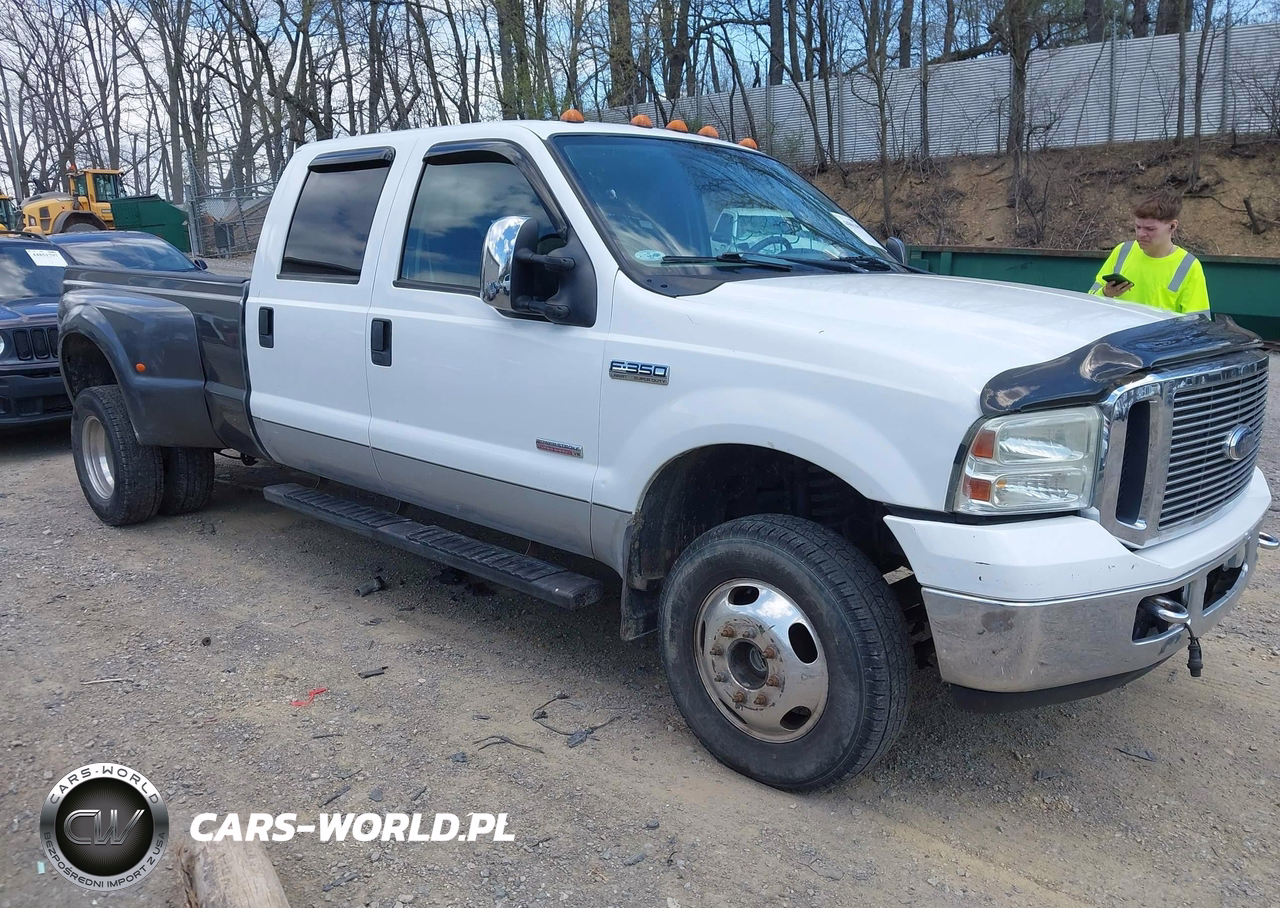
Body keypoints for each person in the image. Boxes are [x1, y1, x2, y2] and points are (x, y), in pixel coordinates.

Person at [1089, 192, 1209, 313]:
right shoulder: (1123, 251)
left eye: (1150, 229)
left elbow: (1198, 322)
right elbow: (1091, 298)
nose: (1141, 234)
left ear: (1172, 226)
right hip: (1117, 330)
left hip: (1161, 332)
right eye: (1138, 227)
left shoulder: (1188, 265)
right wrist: (1105, 293)